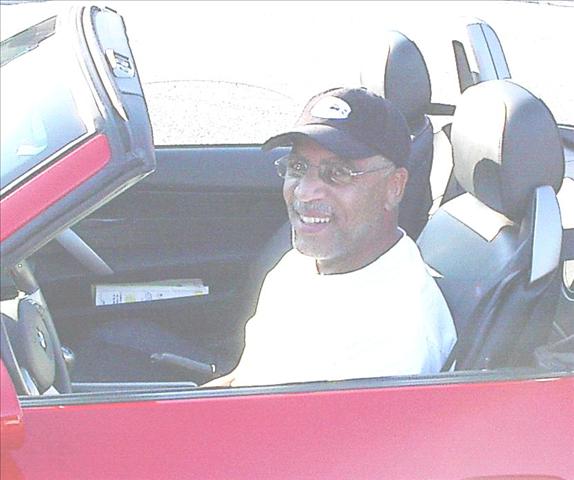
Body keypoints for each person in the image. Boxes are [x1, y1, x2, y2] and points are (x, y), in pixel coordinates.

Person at [204, 87, 456, 387]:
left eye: (338, 173)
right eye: (298, 167)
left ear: (395, 186)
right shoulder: (305, 262)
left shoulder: (394, 338)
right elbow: (248, 377)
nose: (304, 192)